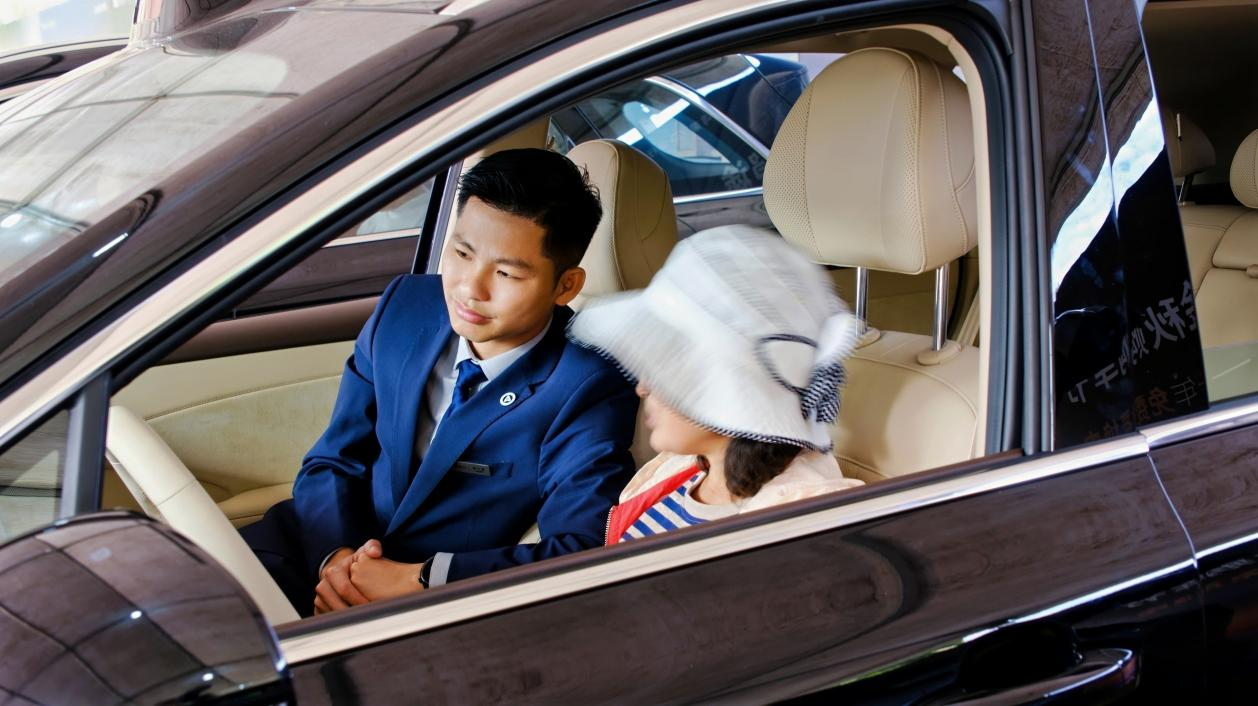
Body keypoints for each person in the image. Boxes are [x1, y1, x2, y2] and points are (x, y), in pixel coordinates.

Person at [243, 149, 639, 615]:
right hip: (315, 548)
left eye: (506, 273)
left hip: (430, 601)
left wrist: (421, 580)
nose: (470, 288)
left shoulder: (589, 383)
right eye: (462, 253)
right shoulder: (406, 305)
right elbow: (335, 456)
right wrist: (338, 562)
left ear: (565, 286)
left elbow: (580, 546)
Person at [567, 226, 864, 543]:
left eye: (666, 366)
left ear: (731, 390)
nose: (642, 387)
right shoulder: (678, 472)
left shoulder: (790, 527)